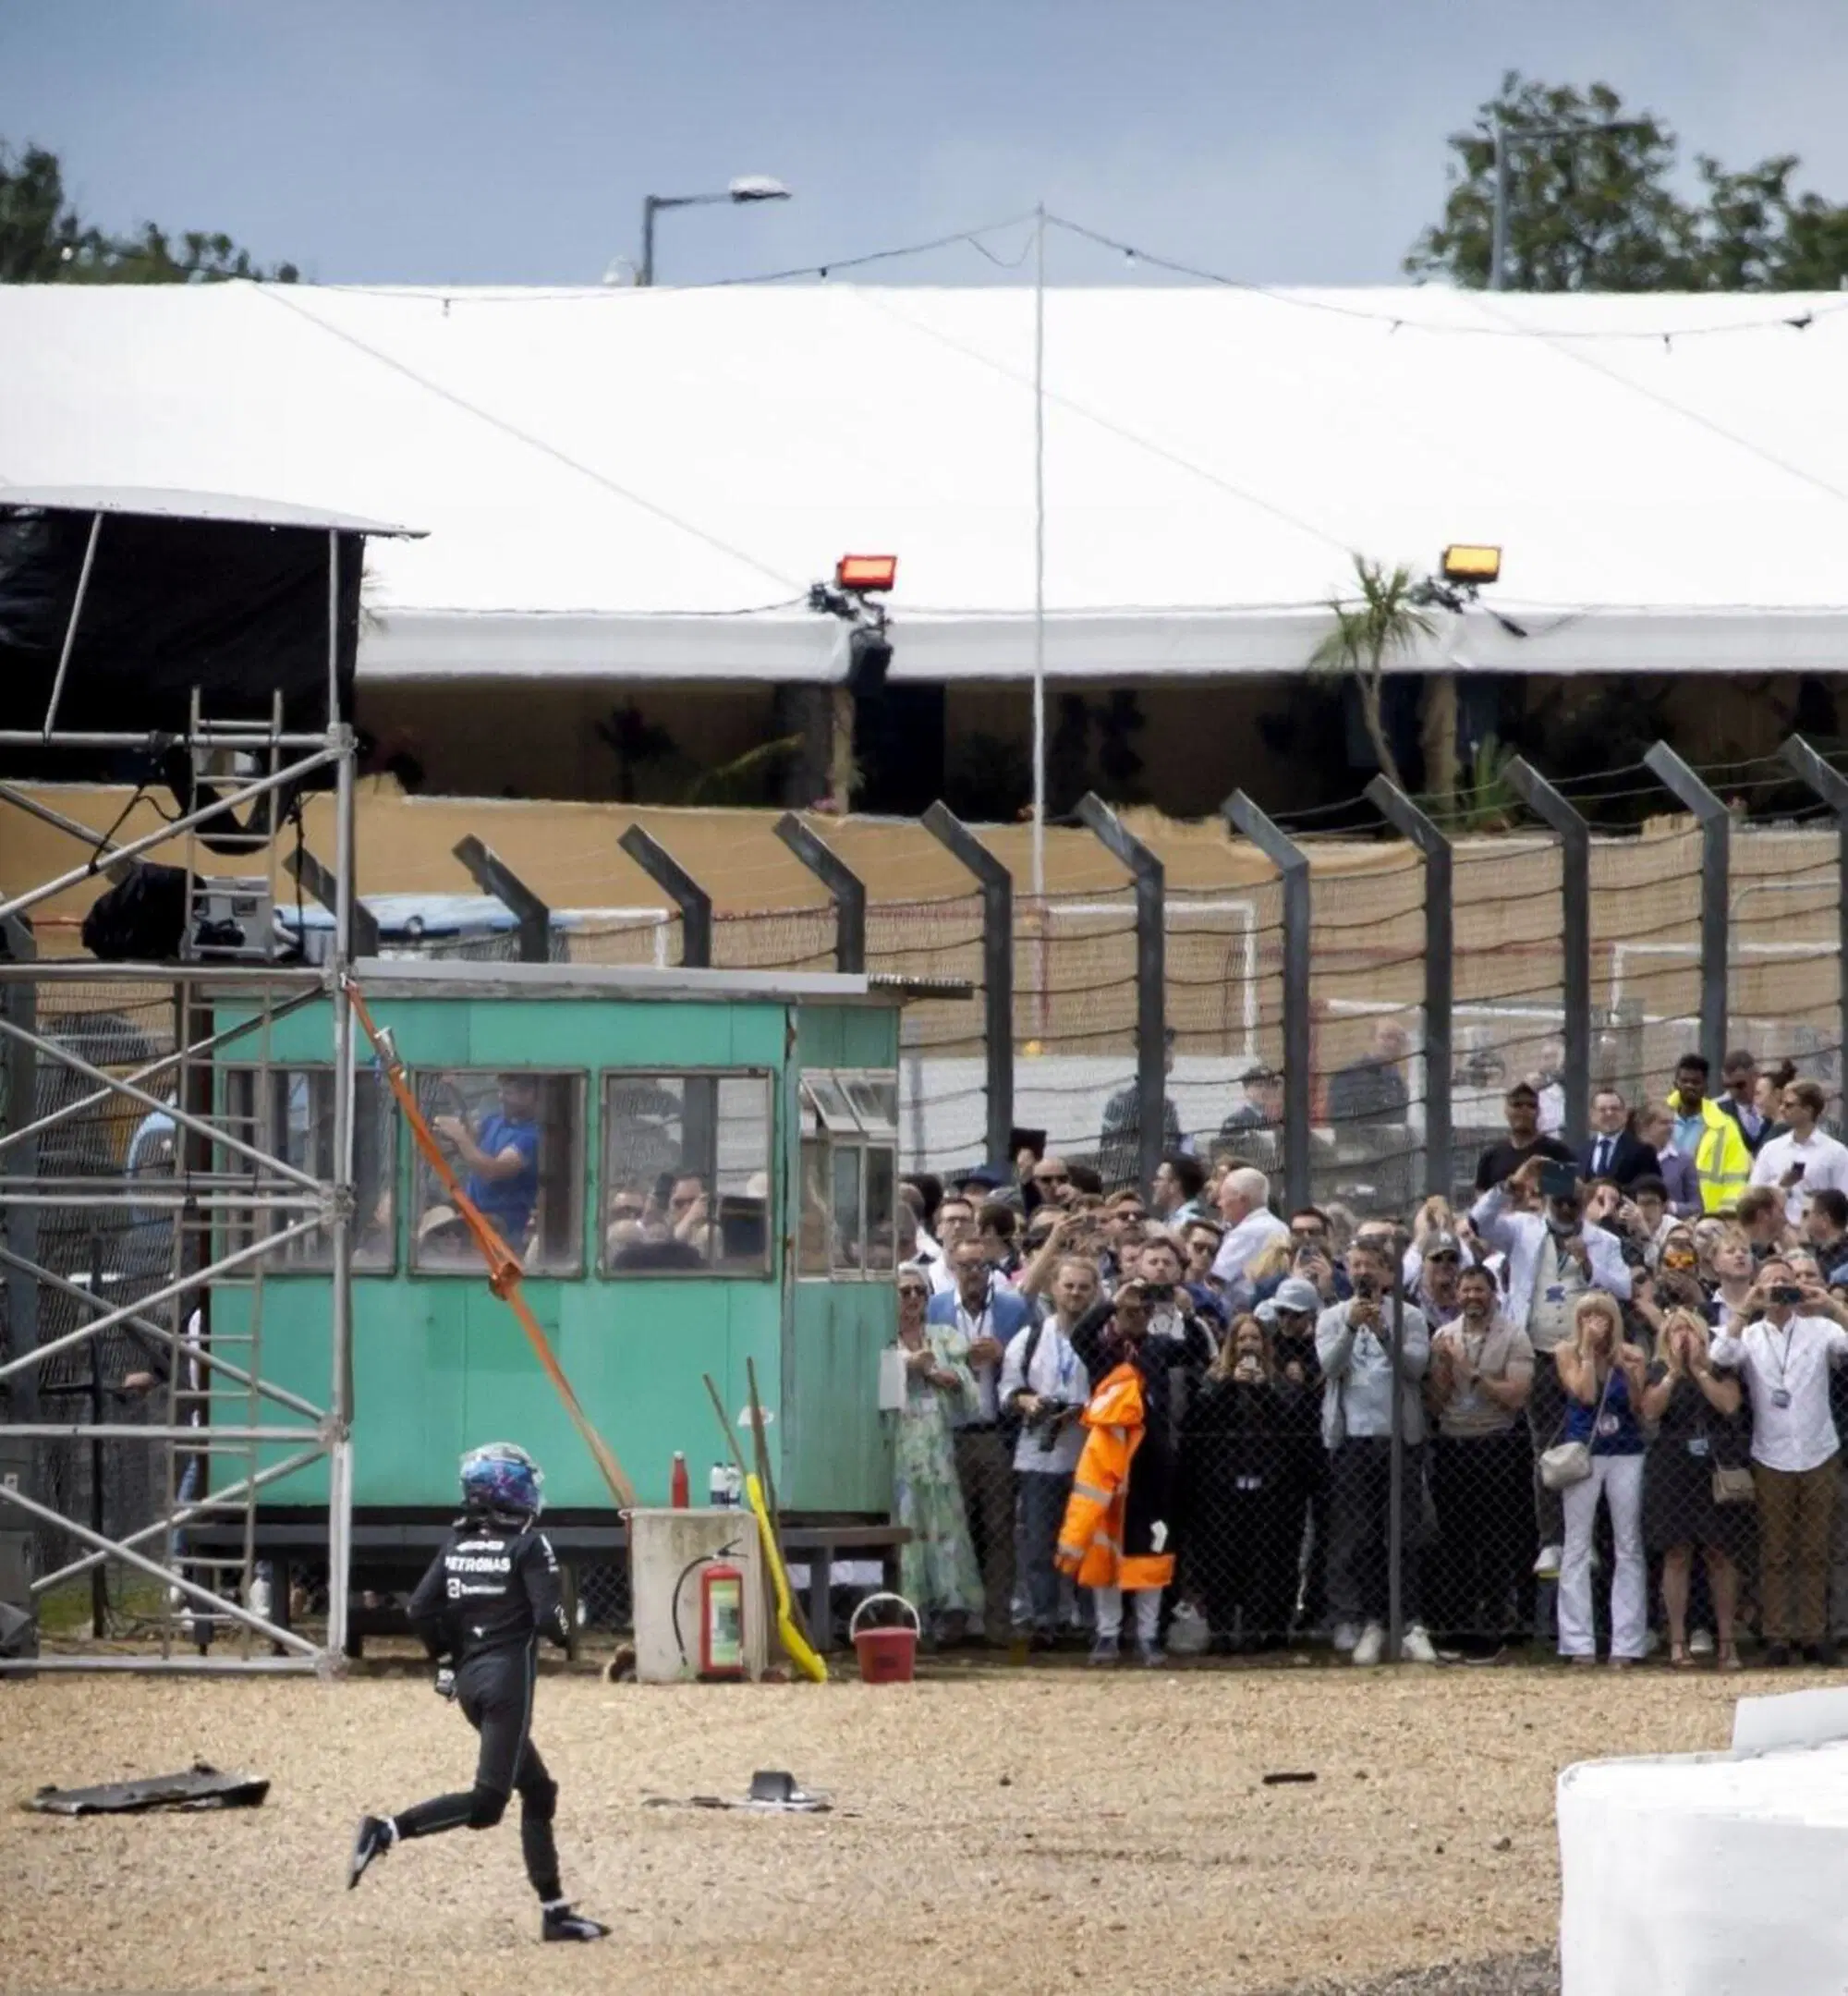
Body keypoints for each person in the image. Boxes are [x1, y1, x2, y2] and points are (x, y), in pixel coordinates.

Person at [346, 1442, 608, 1942]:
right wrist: (566, 1627)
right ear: (508, 1491)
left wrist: (445, 1659)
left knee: (539, 1789)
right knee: (488, 1804)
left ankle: (555, 1911)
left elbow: (420, 1609)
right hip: (508, 1684)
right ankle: (385, 1829)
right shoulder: (530, 1546)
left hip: (469, 1682)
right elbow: (546, 1619)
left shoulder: (457, 1544)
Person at [1471, 1155, 1633, 1582]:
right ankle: (1552, 1540)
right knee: (1546, 1446)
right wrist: (1512, 1183)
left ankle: (1587, 1539)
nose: (1565, 1210)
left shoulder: (1603, 1241)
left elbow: (1624, 1287)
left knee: (1588, 1445)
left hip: (1586, 1354)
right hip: (1539, 1352)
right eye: (1558, 1202)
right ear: (1546, 1201)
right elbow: (1481, 1223)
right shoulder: (1523, 1230)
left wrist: (1589, 1266)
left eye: (1573, 1203)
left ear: (1583, 1201)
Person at [1708, 1259, 1848, 1665]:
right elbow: (1720, 1354)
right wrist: (1745, 1307)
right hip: (1771, 1453)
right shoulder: (1751, 1335)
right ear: (1758, 1289)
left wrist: (1830, 1305)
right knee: (1776, 1548)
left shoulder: (1821, 1331)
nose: (1781, 1289)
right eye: (1772, 1283)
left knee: (1814, 1547)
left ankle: (1812, 1631)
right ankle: (1778, 1634)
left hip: (1818, 1450)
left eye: (1787, 1283)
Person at [1314, 1236, 1436, 1666]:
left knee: (1403, 1532)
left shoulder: (1412, 1317)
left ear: (1387, 1273)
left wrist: (1384, 1333)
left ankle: (1411, 1623)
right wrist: (1351, 1327)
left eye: (1371, 1265)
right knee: (1361, 1535)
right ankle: (1372, 1622)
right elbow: (1328, 1367)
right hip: (1353, 1439)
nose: (1363, 1272)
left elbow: (1415, 1368)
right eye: (1356, 1264)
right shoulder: (1331, 1317)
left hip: (1399, 1438)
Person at [1060, 1279, 1182, 1665]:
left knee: (1152, 1550)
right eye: (1130, 1311)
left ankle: (1148, 1636)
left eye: (1142, 1310)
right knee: (1105, 1549)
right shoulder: (1104, 1354)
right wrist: (1112, 1303)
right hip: (1111, 1465)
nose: (1136, 1317)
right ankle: (1107, 1634)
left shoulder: (1158, 1349)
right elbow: (1078, 1334)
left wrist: (1173, 1308)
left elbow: (1194, 1348)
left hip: (1154, 1466)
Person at [1426, 1263, 1535, 1655]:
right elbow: (1436, 1405)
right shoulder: (1444, 1336)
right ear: (1457, 1294)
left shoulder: (1514, 1336)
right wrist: (1441, 1368)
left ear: (1493, 1294)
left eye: (1480, 1290)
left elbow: (1516, 1395)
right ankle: (1455, 1625)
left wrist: (1471, 1373)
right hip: (1453, 1446)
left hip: (1495, 1446)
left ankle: (1495, 1626)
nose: (1472, 1297)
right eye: (1466, 1290)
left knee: (1494, 1540)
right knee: (1454, 1539)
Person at [927, 1238, 1031, 1643]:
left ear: (990, 1270)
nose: (973, 1272)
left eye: (980, 1265)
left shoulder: (1012, 1309)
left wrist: (1003, 1353)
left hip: (993, 1432)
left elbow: (1030, 1361)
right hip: (948, 1431)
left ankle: (998, 1620)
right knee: (954, 1529)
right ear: (952, 1267)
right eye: (965, 1265)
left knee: (998, 1528)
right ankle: (953, 1617)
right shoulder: (936, 1308)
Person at [1180, 1314, 1302, 1650]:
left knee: (1261, 1561)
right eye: (1242, 1339)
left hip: (1268, 1486)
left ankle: (1253, 1630)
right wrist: (1228, 1384)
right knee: (1221, 1560)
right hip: (1222, 1487)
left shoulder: (1278, 1382)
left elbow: (1292, 1426)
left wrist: (1263, 1389)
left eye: (1255, 1339)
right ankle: (1220, 1632)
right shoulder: (1212, 1380)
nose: (1249, 1345)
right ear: (1230, 1345)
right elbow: (1199, 1425)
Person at [1640, 1307, 1749, 1671]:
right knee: (1677, 1554)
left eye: (1690, 1330)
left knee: (1720, 1553)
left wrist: (1700, 1369)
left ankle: (1727, 1642)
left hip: (1713, 1467)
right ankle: (1677, 1640)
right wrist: (1674, 1372)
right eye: (1675, 1331)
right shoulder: (1657, 1371)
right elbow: (1651, 1411)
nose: (1683, 1337)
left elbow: (1729, 1404)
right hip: (1672, 1468)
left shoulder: (1721, 1368)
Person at [999, 1258, 1093, 1649]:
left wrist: (1083, 1410)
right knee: (1039, 1542)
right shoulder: (1031, 1337)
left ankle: (1086, 1620)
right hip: (1039, 1456)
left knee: (1087, 1543)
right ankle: (1043, 1620)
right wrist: (1031, 1403)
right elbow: (1008, 1390)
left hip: (1090, 1455)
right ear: (1054, 1288)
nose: (1074, 1294)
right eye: (1068, 1286)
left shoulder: (1102, 1338)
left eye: (1083, 1287)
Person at [1553, 1293, 1650, 1667]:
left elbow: (1640, 1407)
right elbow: (1585, 1393)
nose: (1596, 1321)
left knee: (1628, 1543)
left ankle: (1627, 1641)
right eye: (1588, 1315)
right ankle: (1578, 1642)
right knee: (1577, 1544)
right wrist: (1590, 1354)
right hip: (1584, 1454)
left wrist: (1629, 1371)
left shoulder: (1632, 1353)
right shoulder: (1566, 1352)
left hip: (1626, 1451)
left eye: (1602, 1315)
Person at [892, 1272, 986, 1641]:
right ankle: (909, 1608)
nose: (913, 1297)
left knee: (946, 1523)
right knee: (908, 1523)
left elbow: (971, 1398)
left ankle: (953, 1608)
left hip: (938, 1445)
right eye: (905, 1291)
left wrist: (948, 1375)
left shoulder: (944, 1337)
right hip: (897, 1443)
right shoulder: (881, 1339)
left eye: (920, 1291)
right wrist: (907, 1365)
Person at [432, 1075, 541, 1247]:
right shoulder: (494, 1121)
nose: (500, 1097)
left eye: (509, 1092)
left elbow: (492, 1170)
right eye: (501, 1090)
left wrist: (460, 1137)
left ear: (529, 1095)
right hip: (470, 1216)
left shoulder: (532, 1137)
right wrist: (447, 1131)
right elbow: (469, 1142)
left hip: (502, 1230)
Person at [1751, 1078, 1848, 1228]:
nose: (1782, 1109)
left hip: (1819, 1237)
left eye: (1789, 1105)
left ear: (1808, 1110)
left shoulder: (1836, 1153)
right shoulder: (1771, 1149)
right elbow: (1753, 1195)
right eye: (1782, 1103)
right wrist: (1781, 1185)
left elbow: (1844, 1200)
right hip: (1777, 1235)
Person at [1098, 1029, 1185, 1193]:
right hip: (1133, 1188)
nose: (1171, 1057)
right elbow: (1114, 1154)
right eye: (1166, 1051)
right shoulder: (1125, 1102)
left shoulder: (1165, 1104)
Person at [1666, 1052, 1753, 1215]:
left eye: (1696, 1082)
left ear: (1706, 1086)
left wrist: (1724, 1216)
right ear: (1675, 1084)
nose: (1690, 1086)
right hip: (1661, 1215)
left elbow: (1736, 1179)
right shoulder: (1659, 1120)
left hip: (1707, 1217)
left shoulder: (1725, 1127)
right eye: (1684, 1081)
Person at [1474, 1081, 1575, 1194]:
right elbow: (1480, 1202)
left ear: (1538, 1112)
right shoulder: (1491, 1155)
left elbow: (1570, 1195)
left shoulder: (1557, 1151)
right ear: (1506, 1111)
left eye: (1531, 1105)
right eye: (1517, 1105)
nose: (1524, 1110)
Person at [1210, 1166, 1289, 1296]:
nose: (1220, 1204)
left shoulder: (1245, 1232)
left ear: (1242, 1200)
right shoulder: (1282, 1226)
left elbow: (1217, 1277)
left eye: (1223, 1198)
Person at [1326, 1019, 1411, 1126]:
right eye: (1387, 1037)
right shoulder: (1348, 1077)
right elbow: (1342, 1124)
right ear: (1371, 1040)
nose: (1393, 1044)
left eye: (1399, 1040)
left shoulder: (1399, 1085)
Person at [1579, 1088, 1654, 1187]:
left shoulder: (1643, 1151)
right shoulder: (1581, 1152)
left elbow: (1650, 1190)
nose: (1609, 1113)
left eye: (1614, 1109)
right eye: (1602, 1110)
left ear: (1624, 1114)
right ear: (1592, 1115)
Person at [1716, 1048, 1773, 1157]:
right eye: (1729, 1086)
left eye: (1740, 1085)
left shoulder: (1772, 1107)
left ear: (1756, 1076)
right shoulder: (1717, 1110)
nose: (1734, 1091)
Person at [1804, 1187, 1848, 1283]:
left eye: (1806, 1214)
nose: (1802, 1220)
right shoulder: (1821, 1252)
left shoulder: (1843, 1256)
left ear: (1825, 1220)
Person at [1152, 1151, 1209, 1225]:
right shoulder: (1173, 1219)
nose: (1154, 1184)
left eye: (1159, 1179)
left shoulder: (1190, 1223)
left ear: (1174, 1185)